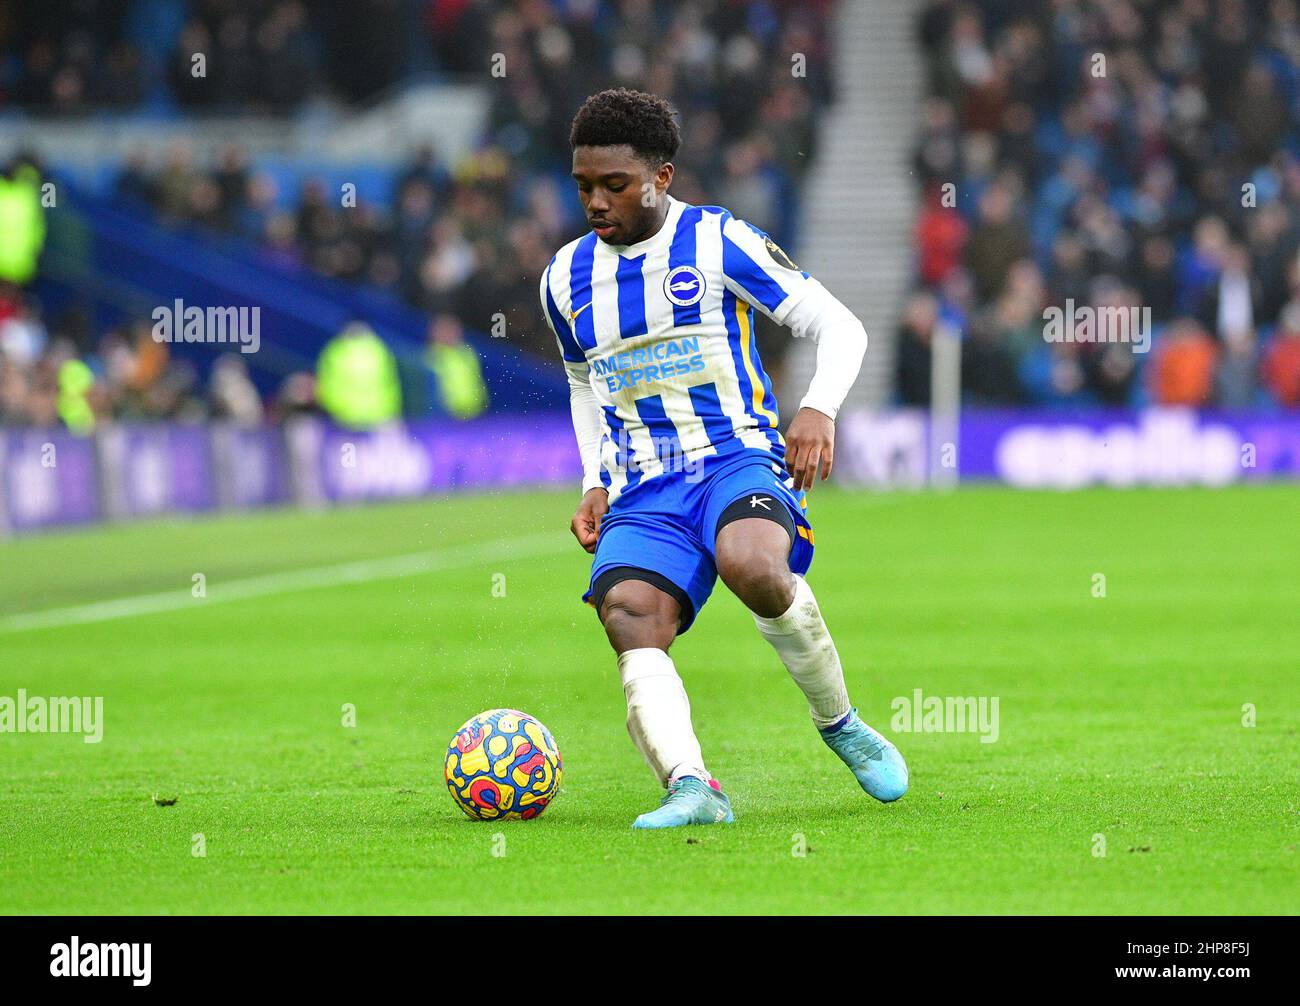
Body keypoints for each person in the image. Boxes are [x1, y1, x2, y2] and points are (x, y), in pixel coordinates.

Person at [540, 88, 907, 830]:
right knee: (628, 616)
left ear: (662, 178)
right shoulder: (563, 279)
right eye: (584, 186)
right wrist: (594, 480)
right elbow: (584, 382)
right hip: (642, 486)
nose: (597, 202)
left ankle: (840, 724)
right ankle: (692, 787)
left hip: (732, 458)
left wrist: (818, 407)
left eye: (616, 184)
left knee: (754, 565)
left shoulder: (717, 242)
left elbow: (839, 326)